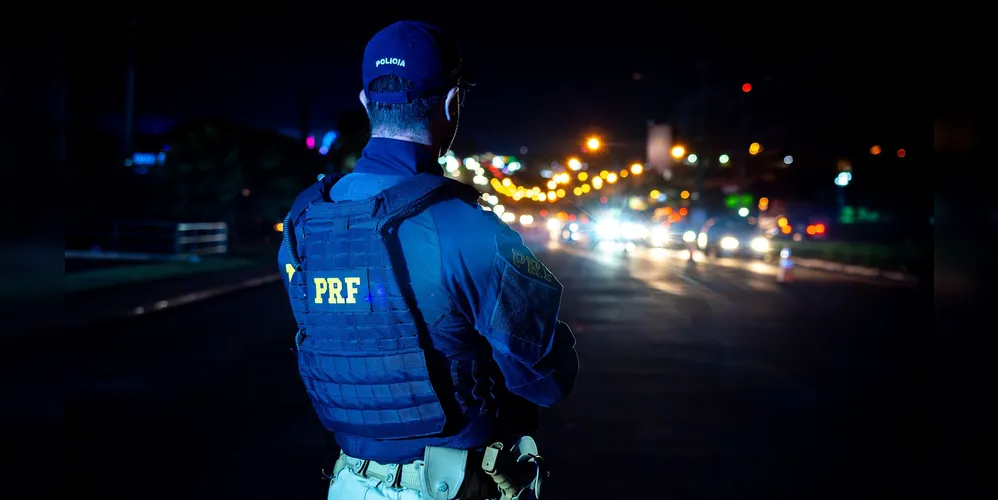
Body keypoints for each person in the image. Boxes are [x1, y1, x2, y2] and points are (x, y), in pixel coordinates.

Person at [277, 20, 579, 500]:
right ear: (451, 103)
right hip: (453, 486)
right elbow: (543, 380)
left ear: (365, 102)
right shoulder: (467, 229)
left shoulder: (305, 217)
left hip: (350, 483)